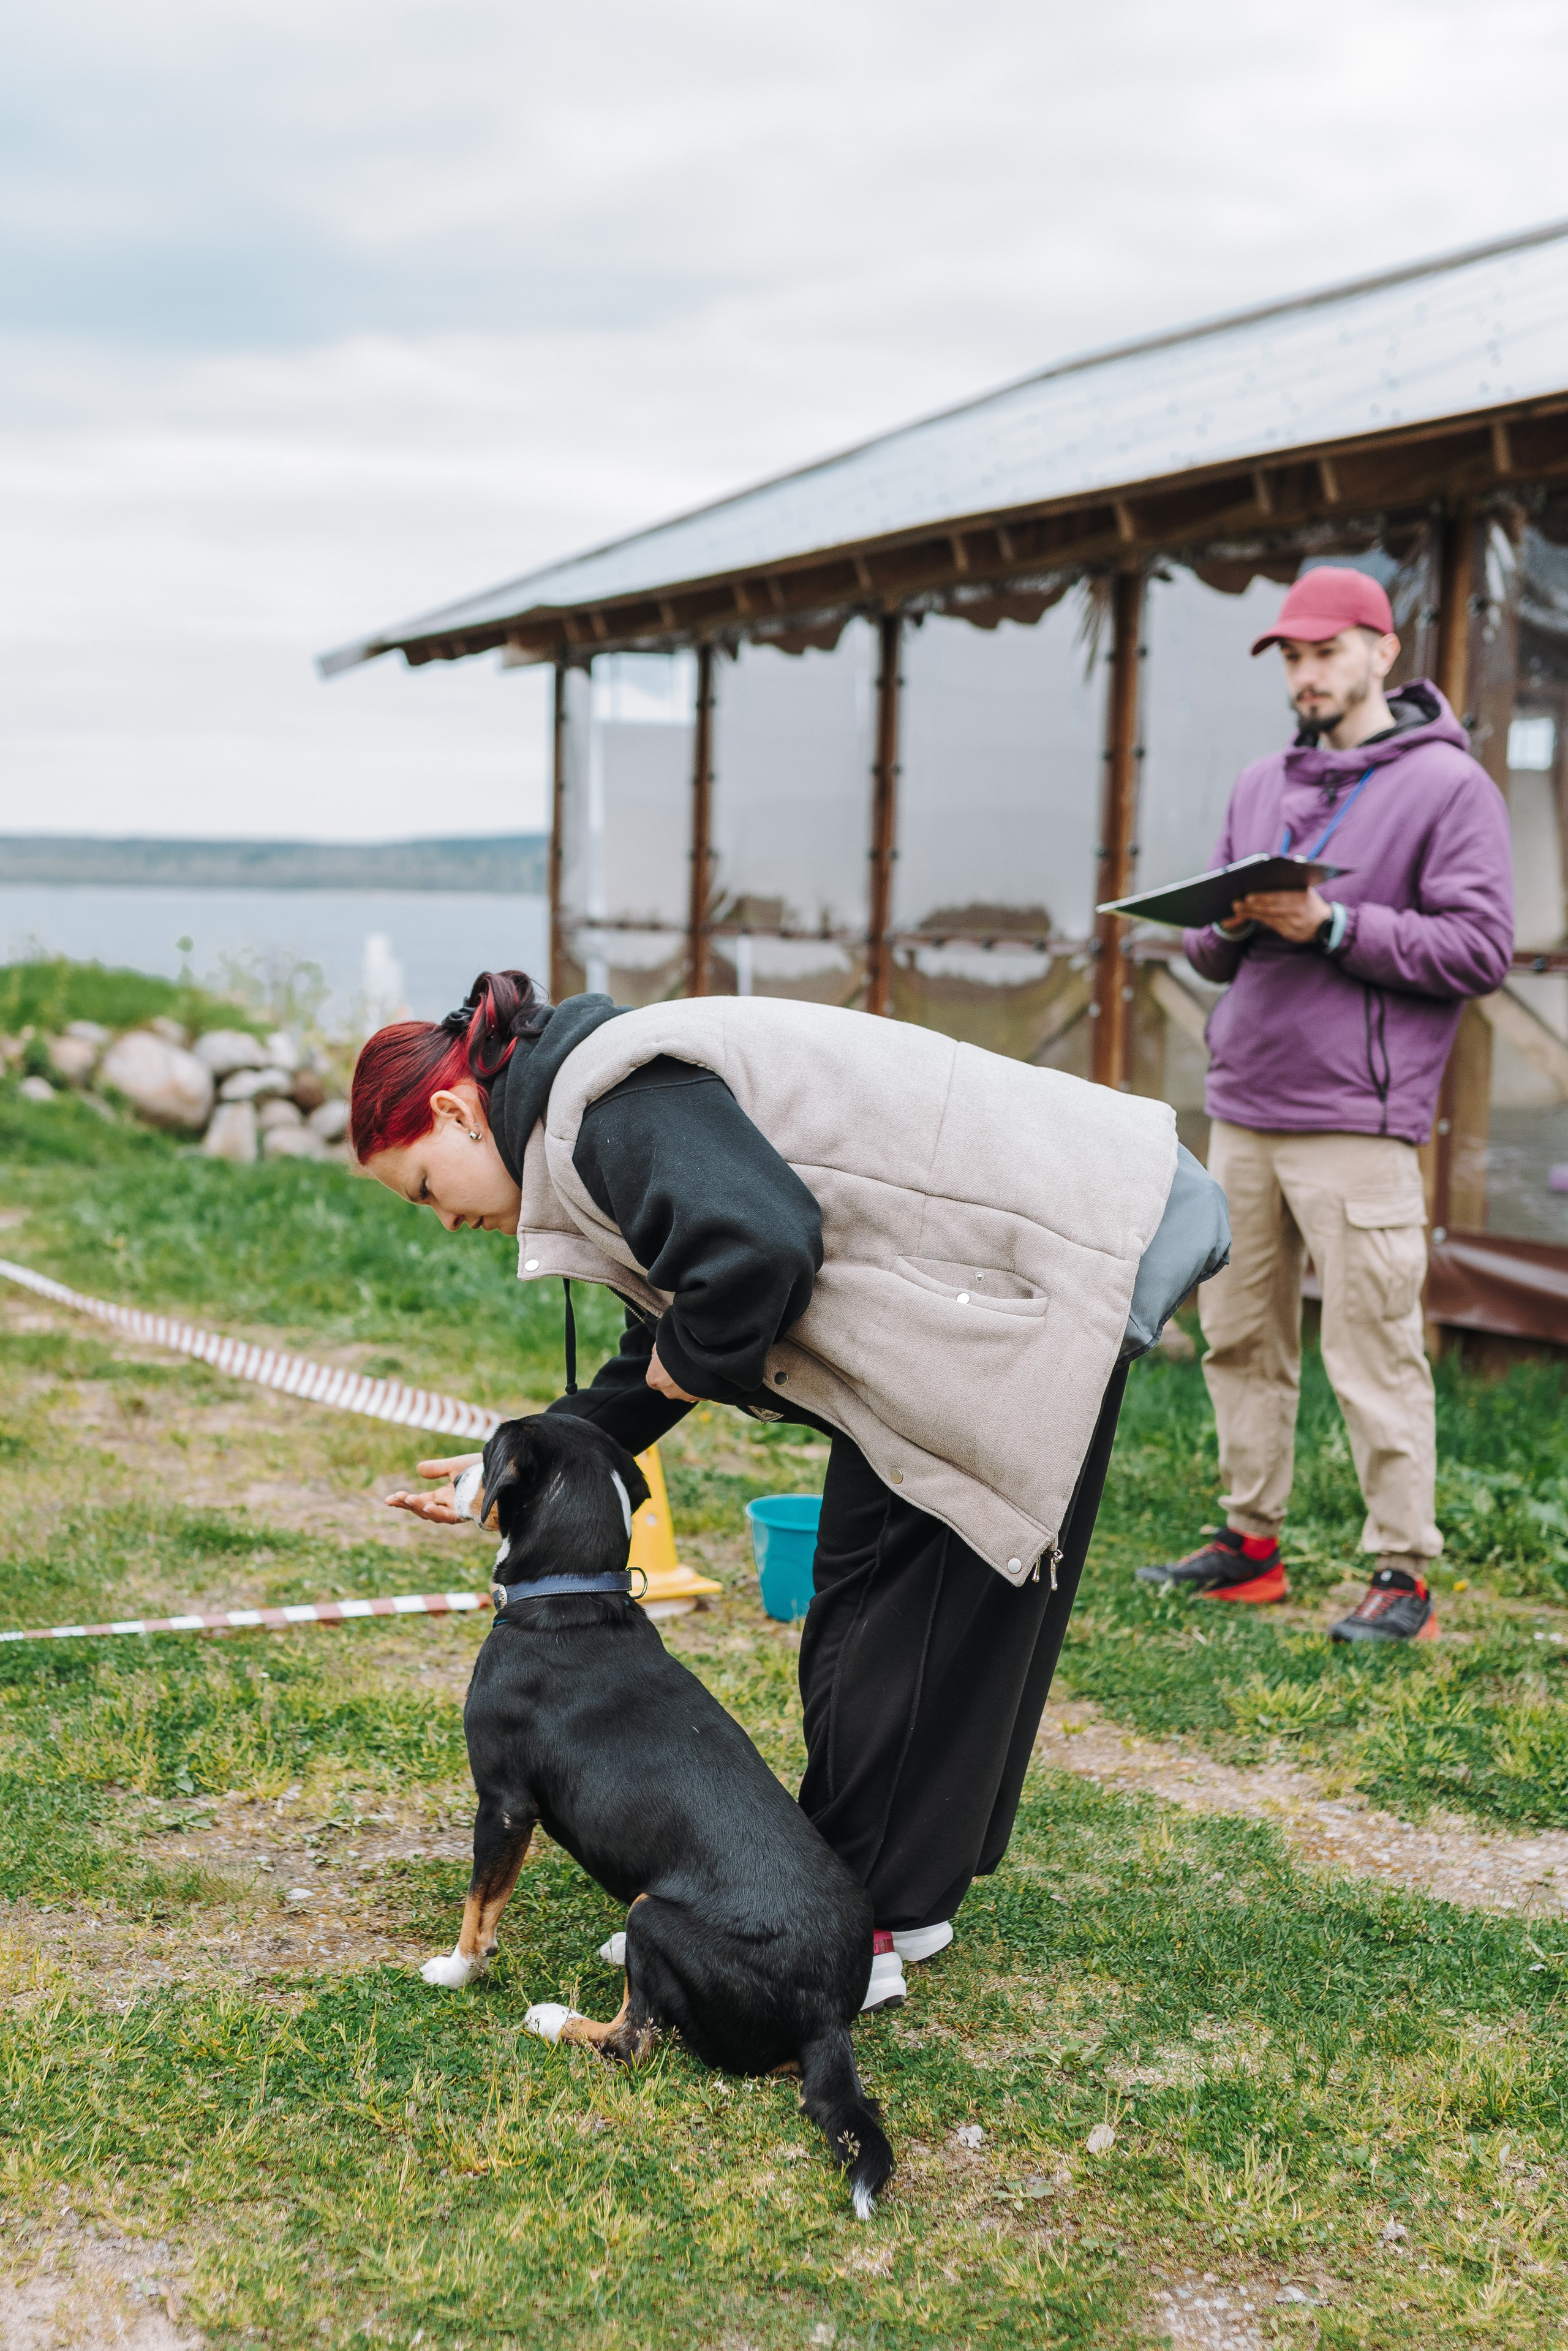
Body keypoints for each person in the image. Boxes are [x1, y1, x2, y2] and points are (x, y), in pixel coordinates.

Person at [352, 975, 1229, 2010]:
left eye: (423, 1188)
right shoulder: (592, 1103)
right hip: (966, 1300)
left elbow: (760, 1249)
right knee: (870, 1598)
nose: (444, 1219)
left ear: (455, 1113)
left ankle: (860, 1933)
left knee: (896, 1631)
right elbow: (681, 1322)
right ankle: (878, 1899)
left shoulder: (604, 1103)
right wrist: (516, 1467)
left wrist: (689, 1349)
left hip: (1034, 1270)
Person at [1138, 566, 1514, 1641]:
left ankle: (1403, 1571)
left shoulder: (1450, 788)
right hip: (1245, 1103)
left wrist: (1335, 926)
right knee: (1238, 1335)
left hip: (1360, 1118)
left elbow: (1482, 947)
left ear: (1383, 652)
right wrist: (1226, 919)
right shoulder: (1261, 781)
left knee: (1373, 1349)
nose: (1307, 675)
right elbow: (1211, 951)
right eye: (1292, 658)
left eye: (1326, 652)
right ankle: (1249, 1541)